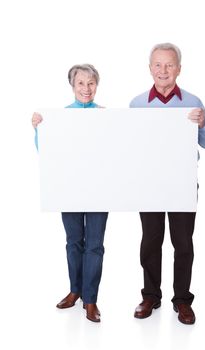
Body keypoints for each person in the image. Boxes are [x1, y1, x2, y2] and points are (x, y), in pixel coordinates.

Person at [130, 43, 205, 325]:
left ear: (179, 68)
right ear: (150, 68)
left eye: (169, 65)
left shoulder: (192, 101)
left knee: (183, 244)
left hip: (182, 183)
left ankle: (182, 300)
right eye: (158, 64)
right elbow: (128, 145)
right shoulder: (137, 104)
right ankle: (151, 295)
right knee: (150, 242)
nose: (163, 70)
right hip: (149, 185)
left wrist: (202, 123)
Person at [32, 64, 108, 323]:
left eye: (91, 83)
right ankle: (75, 291)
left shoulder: (106, 116)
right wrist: (38, 129)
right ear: (72, 86)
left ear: (97, 85)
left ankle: (90, 300)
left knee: (95, 246)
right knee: (74, 242)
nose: (86, 89)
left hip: (99, 189)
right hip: (69, 188)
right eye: (81, 84)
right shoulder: (59, 117)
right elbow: (46, 152)